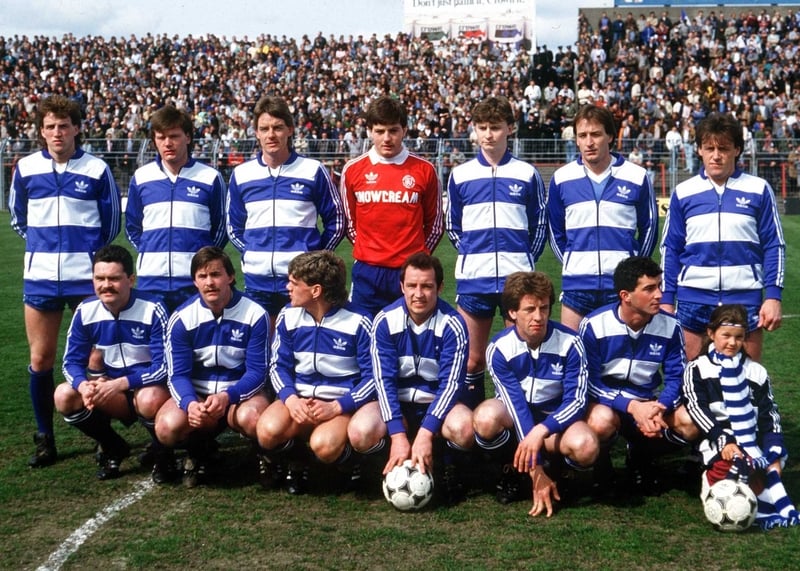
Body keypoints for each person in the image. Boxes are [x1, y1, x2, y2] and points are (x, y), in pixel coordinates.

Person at [9, 95, 121, 468]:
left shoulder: (96, 169)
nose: (58, 132)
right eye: (50, 126)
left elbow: (110, 225)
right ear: (41, 131)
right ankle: (45, 438)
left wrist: (84, 257)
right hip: (40, 279)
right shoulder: (25, 168)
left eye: (64, 125)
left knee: (95, 358)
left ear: (76, 129)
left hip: (85, 281)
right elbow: (18, 219)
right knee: (41, 358)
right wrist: (45, 250)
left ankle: (103, 438)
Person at [446, 96, 547, 410]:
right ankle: (478, 434)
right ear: (474, 131)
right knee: (472, 361)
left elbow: (539, 225)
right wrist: (474, 256)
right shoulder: (460, 175)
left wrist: (521, 262)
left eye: (495, 127)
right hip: (475, 280)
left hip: (516, 282)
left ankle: (518, 436)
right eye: (482, 128)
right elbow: (453, 226)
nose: (488, 134)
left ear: (510, 130)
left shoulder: (526, 174)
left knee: (518, 358)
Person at [347, 252, 473, 503]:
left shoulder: (453, 324)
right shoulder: (384, 321)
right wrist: (396, 433)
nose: (419, 294)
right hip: (398, 403)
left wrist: (426, 432)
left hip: (436, 402)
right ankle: (386, 462)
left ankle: (446, 463)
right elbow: (383, 381)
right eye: (412, 286)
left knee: (465, 428)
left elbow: (451, 385)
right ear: (401, 286)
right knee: (359, 432)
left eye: (427, 286)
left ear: (440, 287)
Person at [660, 112, 785, 363]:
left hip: (744, 299)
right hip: (692, 299)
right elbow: (670, 248)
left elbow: (774, 245)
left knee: (747, 381)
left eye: (724, 148)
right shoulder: (684, 192)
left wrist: (772, 296)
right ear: (699, 150)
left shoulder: (758, 189)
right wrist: (666, 299)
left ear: (737, 150)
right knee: (690, 380)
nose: (716, 155)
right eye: (709, 148)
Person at [473, 271, 598, 517]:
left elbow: (577, 400)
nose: (538, 317)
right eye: (529, 309)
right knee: (485, 418)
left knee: (586, 446)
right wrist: (535, 467)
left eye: (544, 308)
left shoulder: (571, 343)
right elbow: (516, 406)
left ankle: (561, 472)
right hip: (516, 418)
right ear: (512, 313)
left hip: (555, 418)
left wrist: (542, 431)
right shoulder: (499, 348)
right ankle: (511, 468)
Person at [256, 251, 374, 495]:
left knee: (325, 445)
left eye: (294, 283)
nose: (287, 288)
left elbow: (373, 378)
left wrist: (338, 406)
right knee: (266, 432)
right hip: (299, 397)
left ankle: (352, 464)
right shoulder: (288, 316)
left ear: (316, 291)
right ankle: (298, 463)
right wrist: (290, 398)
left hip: (339, 403)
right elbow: (278, 365)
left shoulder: (359, 321)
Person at [580, 256, 698, 494]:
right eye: (650, 289)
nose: (659, 295)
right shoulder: (594, 325)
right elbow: (589, 383)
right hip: (609, 404)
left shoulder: (671, 325)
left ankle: (641, 455)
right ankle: (602, 467)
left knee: (690, 422)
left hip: (650, 404)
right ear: (626, 295)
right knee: (600, 421)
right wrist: (631, 406)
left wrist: (661, 406)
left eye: (660, 286)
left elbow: (677, 377)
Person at [55, 245, 173, 482]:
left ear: (130, 279)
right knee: (64, 395)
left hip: (149, 388)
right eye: (99, 278)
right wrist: (83, 385)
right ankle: (114, 446)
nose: (106, 285)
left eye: (114, 278)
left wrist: (120, 383)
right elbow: (70, 362)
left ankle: (163, 454)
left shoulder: (153, 308)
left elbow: (165, 367)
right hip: (111, 391)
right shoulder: (85, 311)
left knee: (149, 398)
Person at [155, 246, 270, 487]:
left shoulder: (255, 313)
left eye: (216, 274)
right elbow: (178, 374)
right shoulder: (182, 318)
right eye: (202, 276)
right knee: (167, 426)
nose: (210, 282)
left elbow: (258, 372)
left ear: (230, 276)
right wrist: (190, 403)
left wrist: (229, 396)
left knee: (253, 417)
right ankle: (200, 453)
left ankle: (262, 455)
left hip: (239, 394)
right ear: (194, 282)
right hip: (199, 393)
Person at [227, 95, 345, 325]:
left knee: (300, 350)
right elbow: (233, 226)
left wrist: (313, 259)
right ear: (256, 133)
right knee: (260, 349)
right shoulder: (242, 174)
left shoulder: (312, 170)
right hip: (257, 281)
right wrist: (252, 252)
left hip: (301, 281)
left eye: (278, 128)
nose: (271, 134)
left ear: (290, 130)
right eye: (265, 129)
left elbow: (336, 220)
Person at [683, 304, 799, 529]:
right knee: (730, 470)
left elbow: (769, 413)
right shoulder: (697, 368)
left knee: (771, 466)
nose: (732, 343)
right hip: (718, 437)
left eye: (739, 337)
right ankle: (714, 482)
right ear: (711, 333)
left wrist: (774, 446)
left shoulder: (756, 371)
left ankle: (758, 492)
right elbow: (697, 407)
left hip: (751, 440)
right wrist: (723, 439)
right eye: (725, 335)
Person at [548, 104, 657, 332]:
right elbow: (555, 231)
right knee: (573, 357)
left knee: (619, 360)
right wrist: (571, 262)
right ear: (576, 139)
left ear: (609, 136)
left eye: (596, 134)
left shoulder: (636, 176)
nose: (589, 142)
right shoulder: (561, 178)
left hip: (620, 287)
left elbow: (649, 228)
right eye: (583, 135)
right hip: (577, 286)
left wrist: (632, 268)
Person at [339, 96, 443, 317]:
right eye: (379, 131)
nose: (387, 138)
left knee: (409, 339)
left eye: (393, 130)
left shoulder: (424, 170)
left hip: (409, 273)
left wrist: (418, 259)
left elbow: (434, 224)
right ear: (369, 131)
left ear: (404, 130)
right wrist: (370, 252)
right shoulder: (353, 170)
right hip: (368, 272)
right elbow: (349, 223)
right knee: (364, 337)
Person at [125, 105, 227, 312]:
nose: (167, 143)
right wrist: (150, 252)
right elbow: (132, 227)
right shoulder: (142, 177)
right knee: (153, 345)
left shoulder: (209, 177)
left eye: (174, 136)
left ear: (188, 137)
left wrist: (200, 260)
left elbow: (221, 229)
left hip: (194, 282)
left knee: (194, 343)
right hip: (151, 282)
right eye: (161, 137)